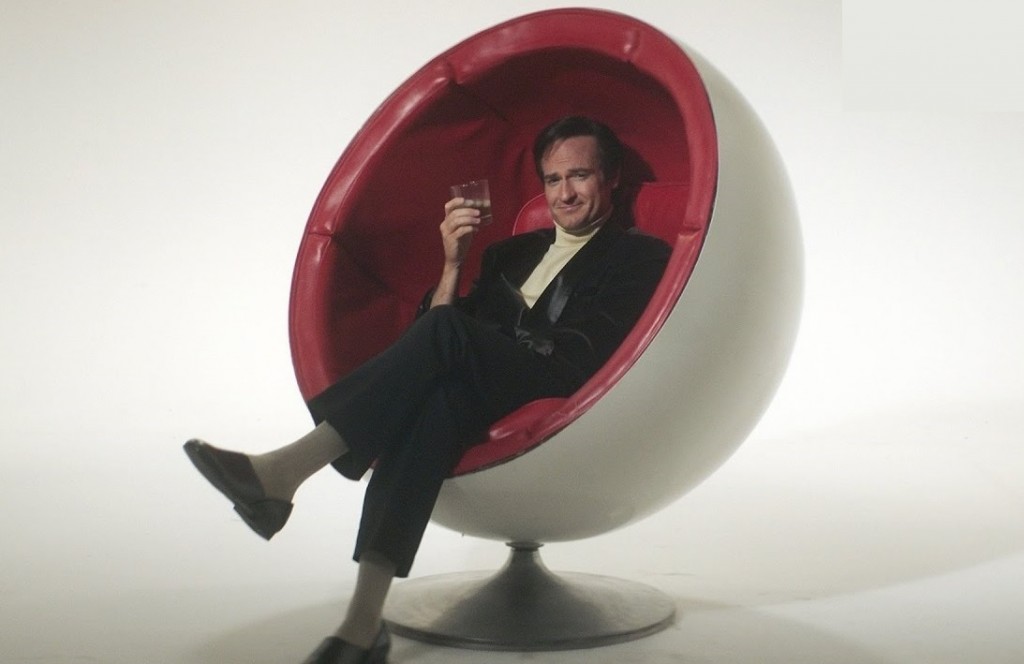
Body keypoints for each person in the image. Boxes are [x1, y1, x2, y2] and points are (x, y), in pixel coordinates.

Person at [183, 115, 671, 664]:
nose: (565, 193)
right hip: (486, 376)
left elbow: (589, 347)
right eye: (553, 180)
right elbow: (437, 333)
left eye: (579, 176)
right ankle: (363, 625)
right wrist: (453, 264)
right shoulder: (510, 254)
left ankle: (286, 470)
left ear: (610, 178)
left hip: (561, 382)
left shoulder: (639, 255)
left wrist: (484, 339)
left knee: (446, 338)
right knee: (434, 404)